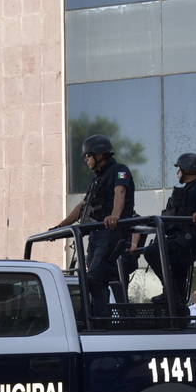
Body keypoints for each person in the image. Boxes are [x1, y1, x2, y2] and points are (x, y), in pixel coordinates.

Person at [53, 134, 135, 317]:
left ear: (99, 155)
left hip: (111, 232)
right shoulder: (97, 179)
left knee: (94, 278)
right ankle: (99, 319)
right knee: (97, 280)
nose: (86, 159)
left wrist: (115, 216)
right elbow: (83, 206)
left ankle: (97, 319)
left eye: (88, 155)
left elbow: (120, 192)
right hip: (96, 234)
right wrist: (60, 227)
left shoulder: (119, 170)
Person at [143, 153, 196, 308]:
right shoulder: (186, 189)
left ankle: (171, 292)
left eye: (179, 169)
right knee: (178, 278)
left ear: (187, 170)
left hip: (188, 239)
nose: (178, 173)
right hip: (177, 238)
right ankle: (177, 306)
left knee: (152, 251)